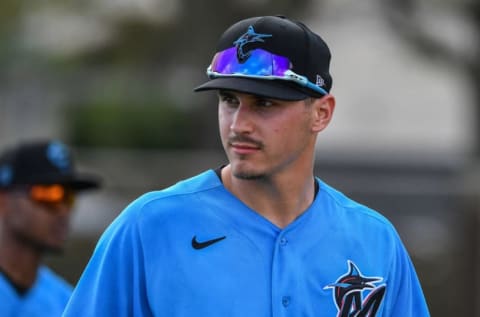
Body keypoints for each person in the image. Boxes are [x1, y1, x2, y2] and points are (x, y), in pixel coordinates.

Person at [62, 15, 430, 316]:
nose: (239, 124)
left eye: (265, 103)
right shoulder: (149, 226)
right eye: (229, 99)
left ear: (321, 113)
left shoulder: (375, 239)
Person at [0, 140, 101, 317]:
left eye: (69, 198)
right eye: (48, 195)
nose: (63, 211)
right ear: (4, 200)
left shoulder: (69, 304)